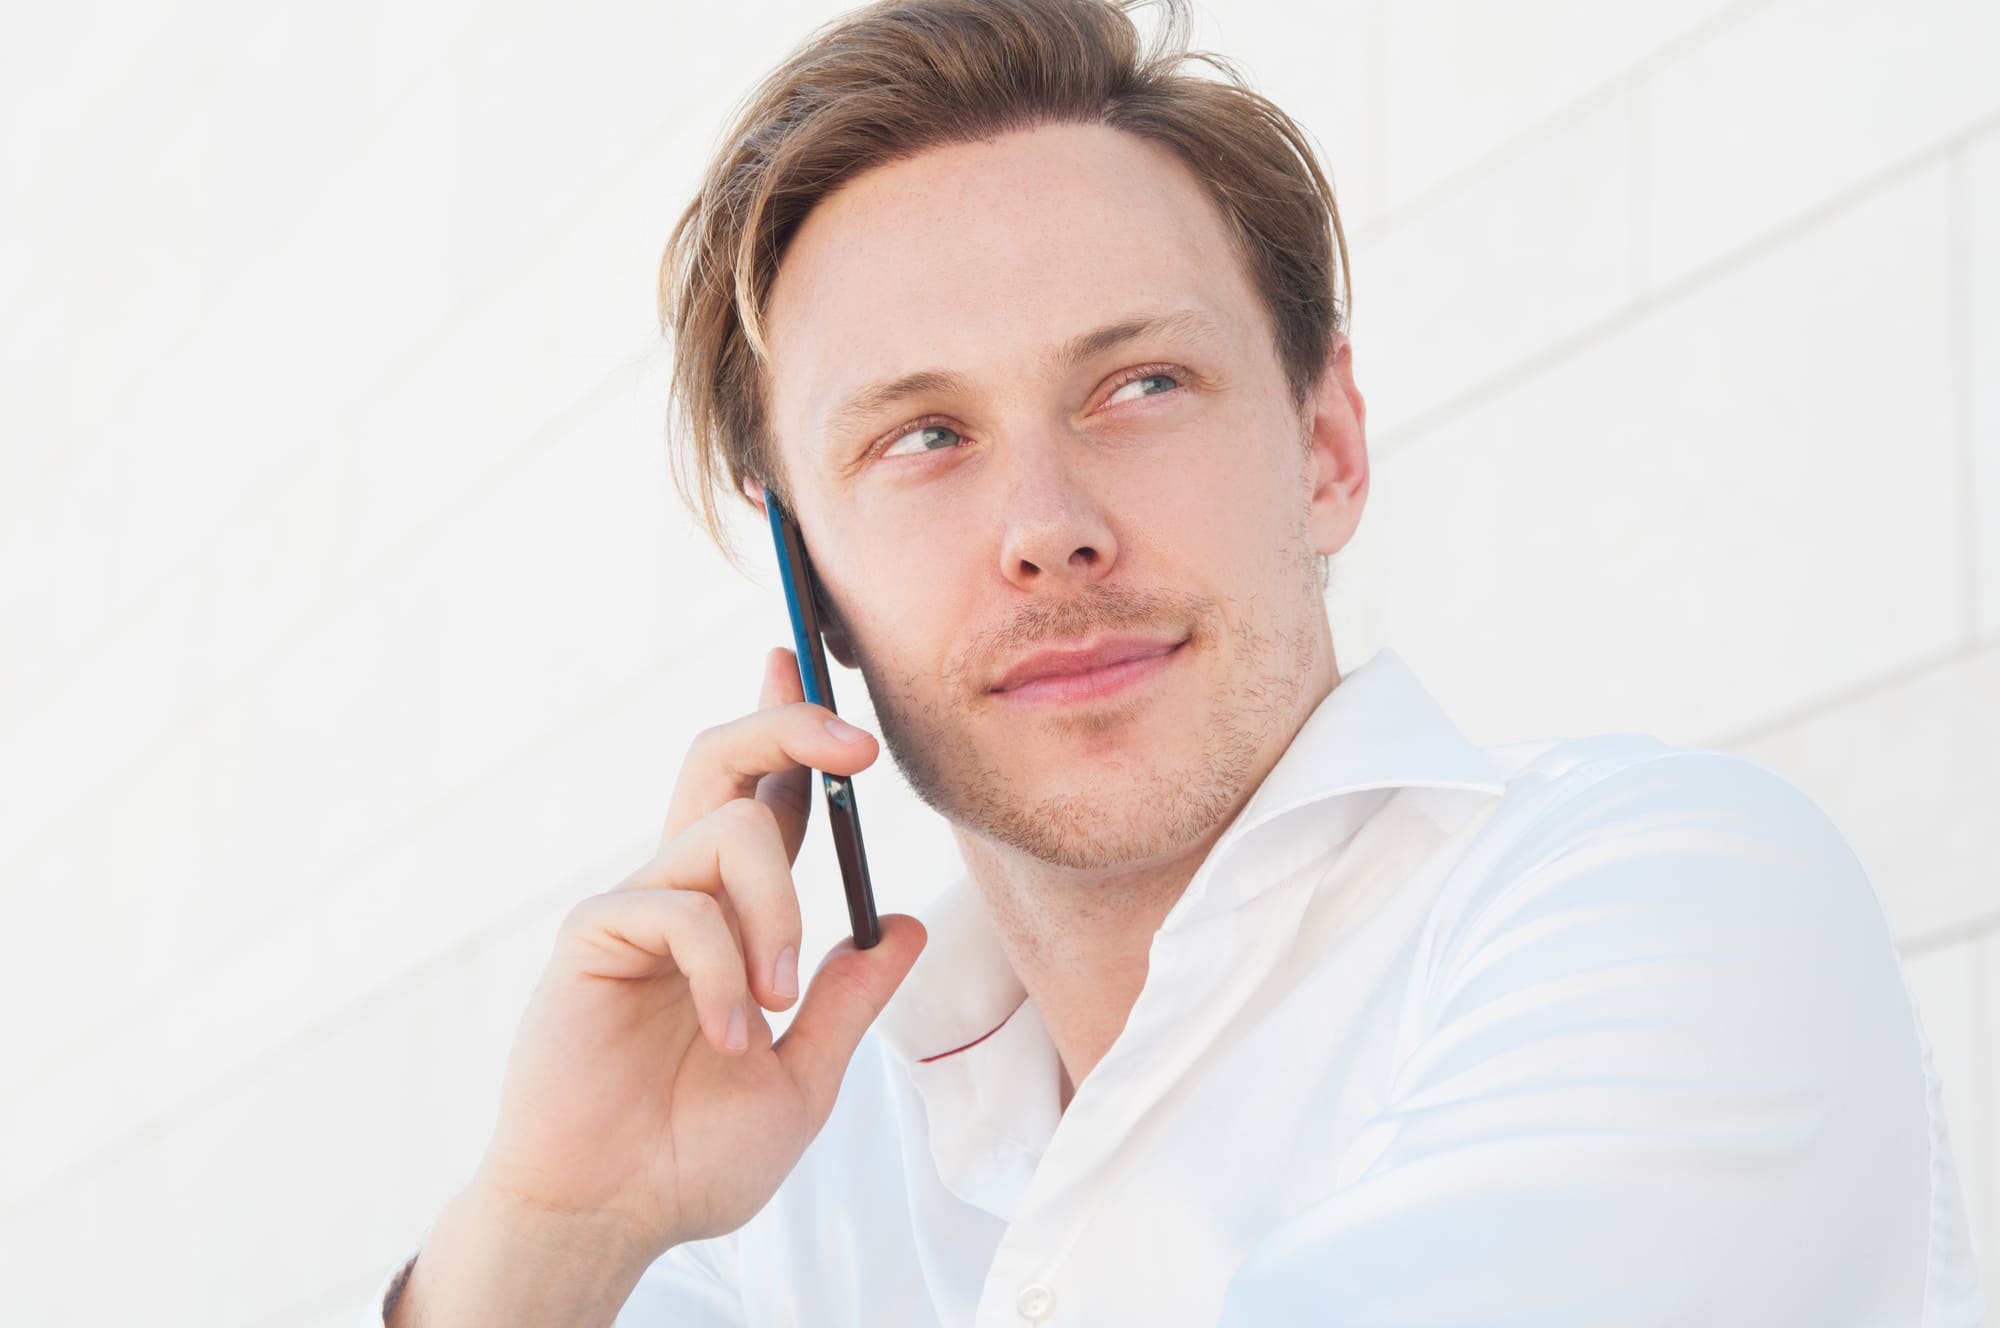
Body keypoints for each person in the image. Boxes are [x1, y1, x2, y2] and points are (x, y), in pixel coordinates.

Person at [363, 0, 1987, 1323]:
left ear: (1328, 443)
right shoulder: (776, 1172)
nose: (1048, 528)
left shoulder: (1659, 901)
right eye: (924, 436)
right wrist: (551, 1240)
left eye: (1138, 384)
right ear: (816, 590)